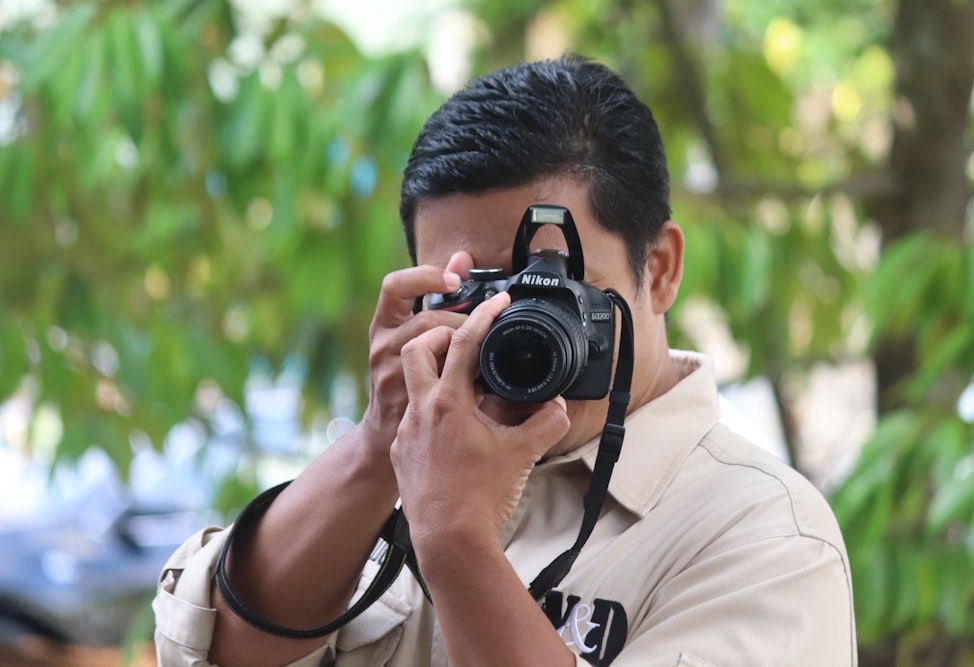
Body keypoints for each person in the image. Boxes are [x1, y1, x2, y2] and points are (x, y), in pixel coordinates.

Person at [153, 55, 856, 666]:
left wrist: (454, 537)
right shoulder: (409, 472)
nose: (509, 330)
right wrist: (378, 444)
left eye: (553, 289)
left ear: (662, 268)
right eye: (475, 295)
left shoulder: (763, 533)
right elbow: (224, 649)